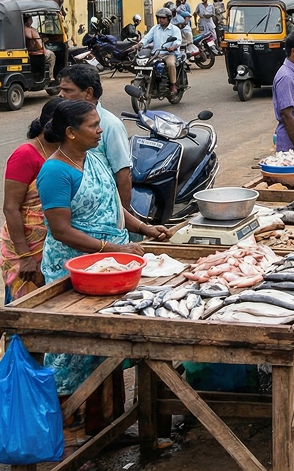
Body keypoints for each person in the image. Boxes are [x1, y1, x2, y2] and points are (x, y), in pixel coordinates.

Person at [37, 101, 169, 395]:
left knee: (108, 347)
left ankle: (107, 425)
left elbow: (115, 207)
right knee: (74, 352)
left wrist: (144, 228)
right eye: (93, 126)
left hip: (109, 269)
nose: (100, 130)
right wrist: (111, 249)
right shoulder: (56, 172)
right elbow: (61, 231)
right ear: (71, 132)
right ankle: (71, 426)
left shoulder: (93, 159)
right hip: (73, 272)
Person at [2, 98, 63, 302]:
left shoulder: (63, 152)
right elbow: (11, 208)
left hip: (52, 245)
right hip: (27, 247)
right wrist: (25, 257)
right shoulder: (25, 155)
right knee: (23, 308)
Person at [57, 65, 134, 215]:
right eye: (60, 89)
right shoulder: (61, 120)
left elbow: (123, 174)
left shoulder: (110, 125)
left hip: (101, 214)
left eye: (67, 90)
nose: (60, 95)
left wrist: (121, 219)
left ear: (88, 93)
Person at [140, 8, 182, 94]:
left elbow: (178, 41)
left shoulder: (175, 29)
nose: (160, 20)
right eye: (159, 18)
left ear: (169, 18)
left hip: (168, 54)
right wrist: (139, 44)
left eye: (163, 18)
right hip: (156, 54)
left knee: (170, 64)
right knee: (144, 64)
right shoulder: (155, 28)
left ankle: (173, 84)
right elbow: (147, 38)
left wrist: (173, 47)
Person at [24, 14, 53, 80]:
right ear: (28, 20)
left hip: (26, 52)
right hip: (35, 54)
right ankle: (50, 76)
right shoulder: (31, 30)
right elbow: (39, 45)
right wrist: (45, 51)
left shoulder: (19, 29)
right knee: (52, 55)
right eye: (31, 19)